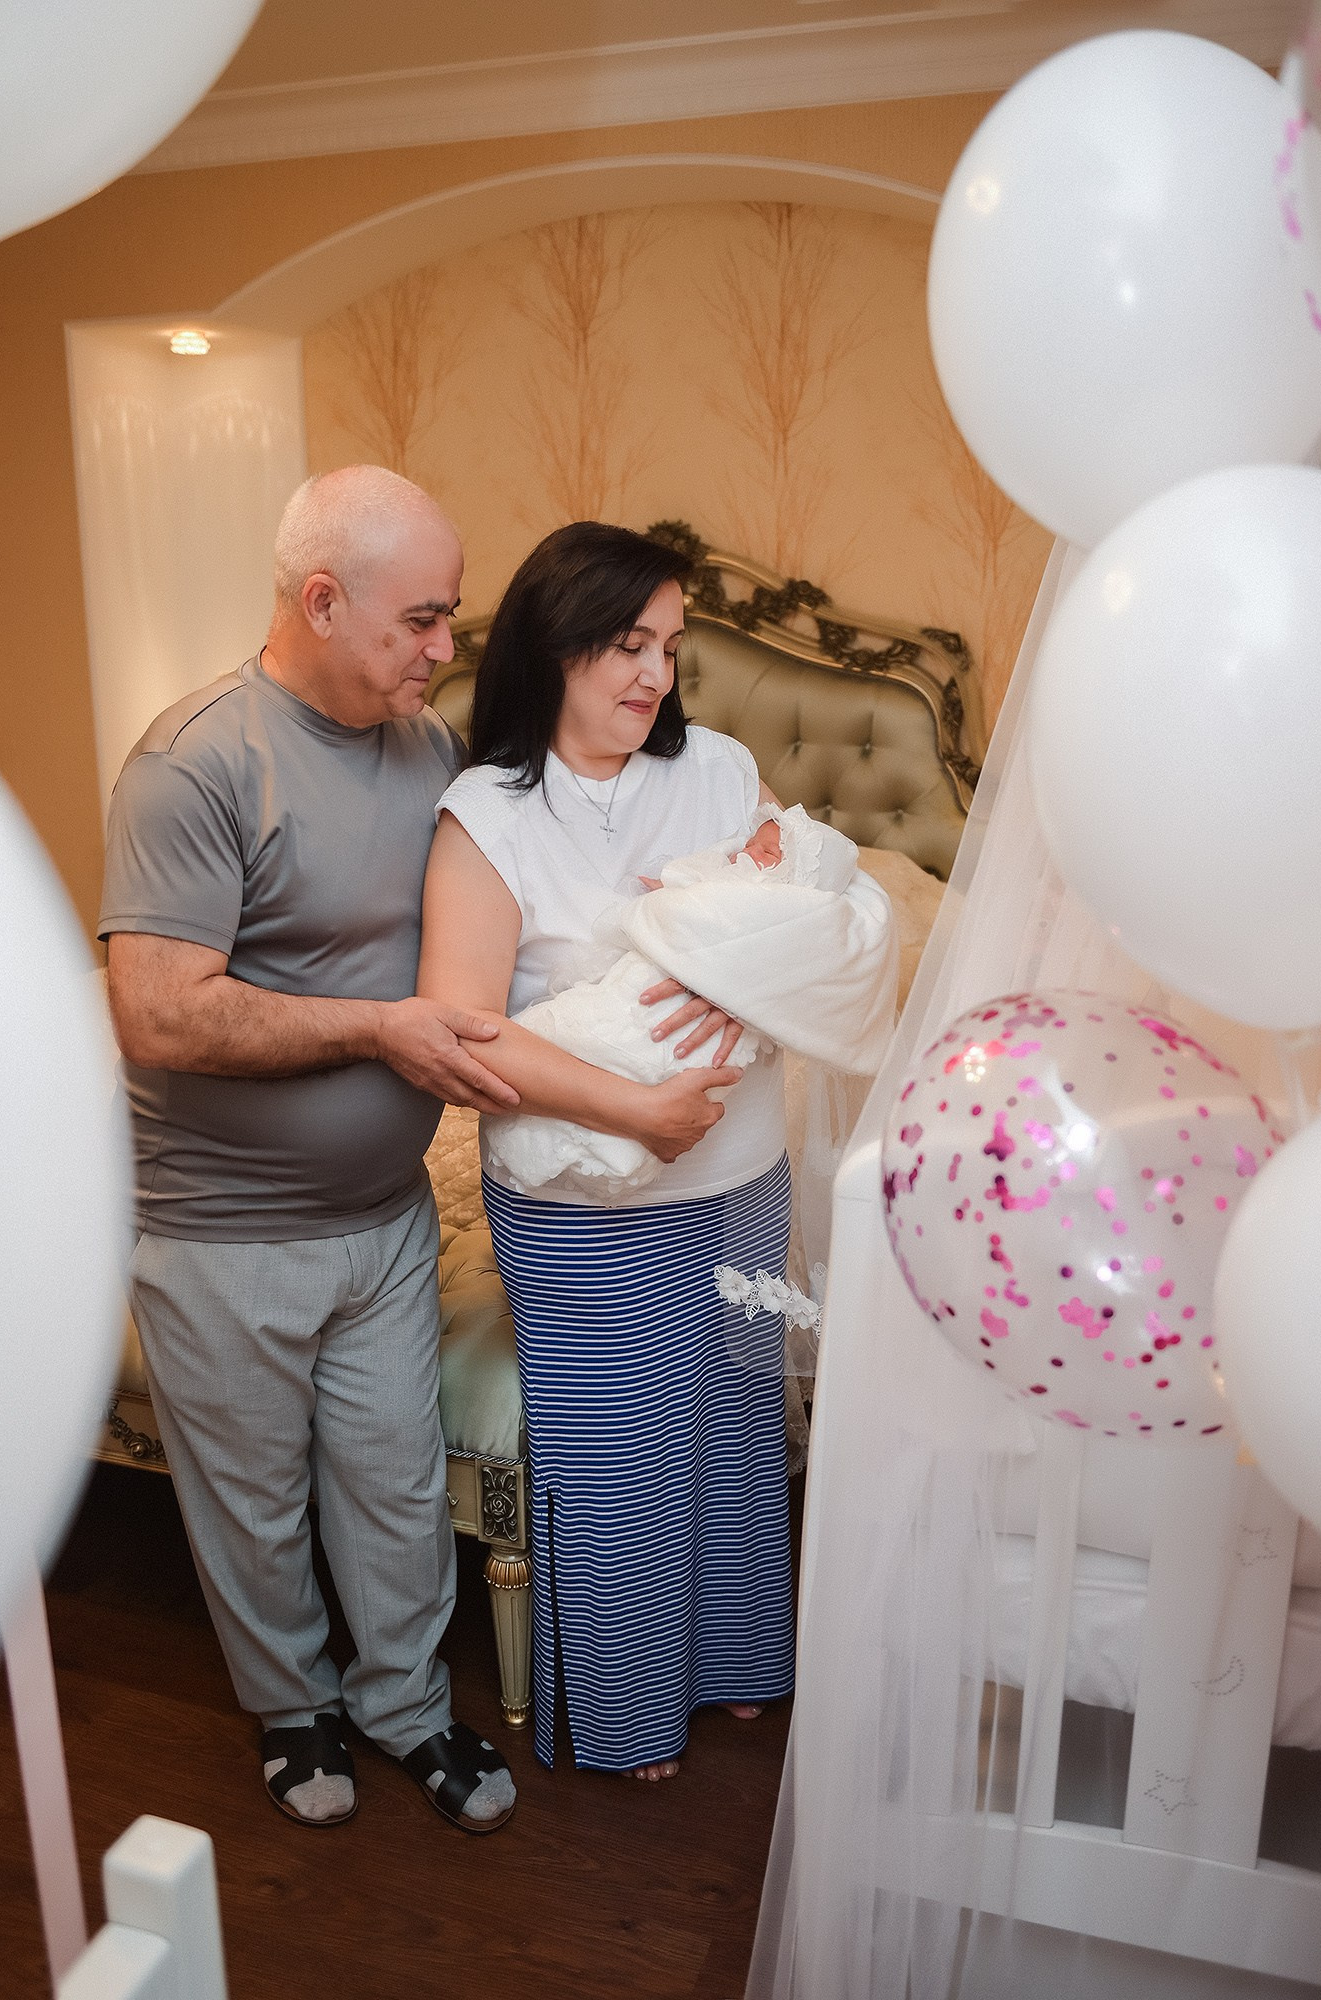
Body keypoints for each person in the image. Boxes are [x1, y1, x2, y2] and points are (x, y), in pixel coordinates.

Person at [100, 465, 518, 1833]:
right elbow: (160, 1013)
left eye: (451, 617)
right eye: (421, 620)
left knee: (396, 1486)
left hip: (385, 1216)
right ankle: (292, 1707)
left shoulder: (431, 750)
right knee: (255, 1505)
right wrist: (380, 1031)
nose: (443, 649)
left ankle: (406, 1705)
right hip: (223, 1231)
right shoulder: (195, 762)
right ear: (322, 601)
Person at [417, 520, 797, 1781]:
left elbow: (798, 919)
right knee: (622, 1455)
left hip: (739, 1172)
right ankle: (632, 1710)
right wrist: (636, 1110)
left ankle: (739, 1658)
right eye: (629, 643)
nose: (654, 674)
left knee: (734, 1421)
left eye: (671, 647)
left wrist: (760, 960)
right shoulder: (486, 814)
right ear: (555, 643)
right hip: (583, 1196)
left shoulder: (721, 771)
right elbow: (464, 1028)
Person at [482, 802, 897, 1198]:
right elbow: (687, 909)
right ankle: (565, 1087)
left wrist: (748, 980)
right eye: (750, 843)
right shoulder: (487, 811)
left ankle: (607, 1143)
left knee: (667, 1057)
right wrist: (678, 892)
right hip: (644, 981)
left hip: (745, 1172)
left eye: (768, 852)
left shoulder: (785, 895)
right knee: (593, 1027)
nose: (748, 853)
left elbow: (821, 932)